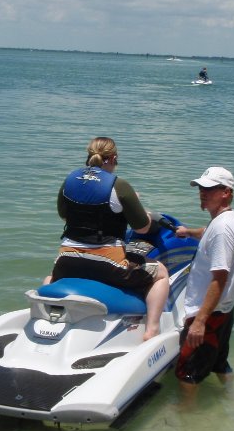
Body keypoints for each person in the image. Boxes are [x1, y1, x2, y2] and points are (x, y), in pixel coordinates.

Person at [47, 136, 170, 340]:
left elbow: (64, 215)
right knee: (162, 274)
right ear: (113, 158)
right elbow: (142, 227)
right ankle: (152, 331)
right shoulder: (119, 186)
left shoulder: (69, 180)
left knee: (51, 276)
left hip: (66, 261)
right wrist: (137, 205)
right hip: (107, 265)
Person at [173, 166, 234, 404]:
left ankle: (187, 418)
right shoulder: (226, 219)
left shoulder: (222, 229)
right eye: (202, 188)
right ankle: (231, 399)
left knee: (186, 372)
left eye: (210, 189)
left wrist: (199, 321)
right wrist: (188, 232)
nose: (203, 193)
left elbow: (219, 277)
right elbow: (207, 233)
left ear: (226, 192)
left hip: (209, 314)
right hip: (224, 310)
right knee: (219, 363)